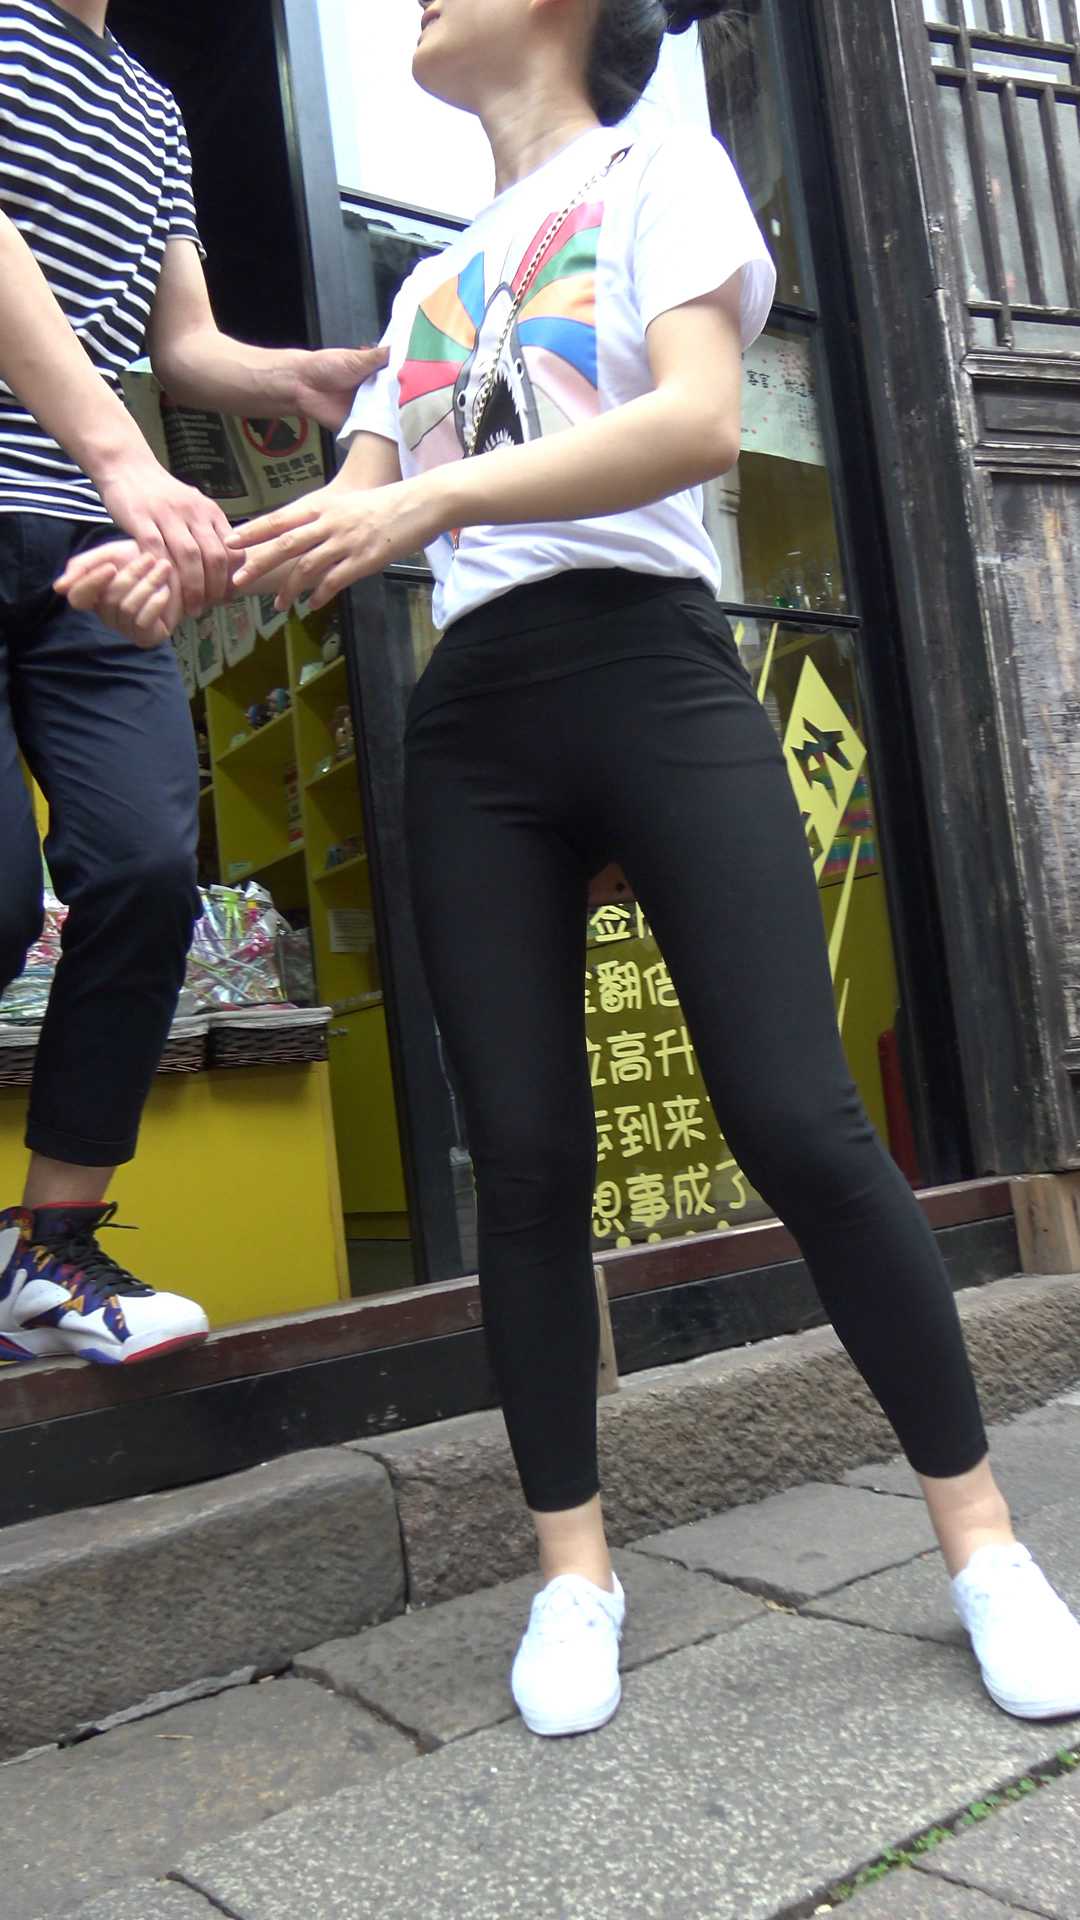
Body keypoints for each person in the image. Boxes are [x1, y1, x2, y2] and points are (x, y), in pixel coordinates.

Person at [64, 0, 1080, 1733]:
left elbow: (695, 426)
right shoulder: (425, 288)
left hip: (652, 667)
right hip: (477, 719)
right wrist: (197, 563)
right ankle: (573, 1573)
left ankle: (985, 1548)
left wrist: (431, 504)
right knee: (527, 1158)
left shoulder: (659, 170)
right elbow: (351, 513)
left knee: (797, 1117)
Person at [0, 0, 384, 1366]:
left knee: (147, 866)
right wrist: (123, 458)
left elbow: (182, 343)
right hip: (101, 490)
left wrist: (296, 373)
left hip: (90, 547)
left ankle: (50, 1254)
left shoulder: (151, 102)